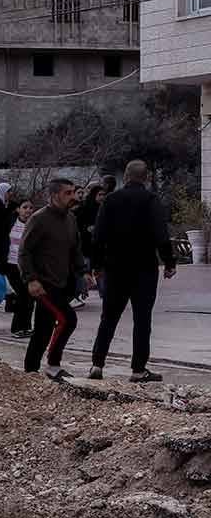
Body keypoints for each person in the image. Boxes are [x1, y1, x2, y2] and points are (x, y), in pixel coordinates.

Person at [89, 160, 177, 383]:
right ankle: (138, 369)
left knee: (108, 317)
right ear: (146, 177)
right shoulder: (150, 200)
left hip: (115, 267)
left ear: (125, 176)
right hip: (144, 269)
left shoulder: (110, 200)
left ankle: (97, 365)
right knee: (142, 319)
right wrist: (169, 262)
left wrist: (96, 266)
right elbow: (161, 234)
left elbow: (98, 236)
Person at [19, 178, 87, 381]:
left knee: (43, 327)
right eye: (68, 193)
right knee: (68, 319)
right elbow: (24, 251)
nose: (73, 196)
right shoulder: (39, 219)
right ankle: (53, 364)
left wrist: (83, 271)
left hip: (63, 281)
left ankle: (30, 371)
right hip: (44, 284)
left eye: (73, 192)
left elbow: (75, 248)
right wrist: (31, 279)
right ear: (55, 195)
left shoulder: (70, 219)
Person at [6, 199, 35, 338]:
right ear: (18, 209)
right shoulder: (10, 224)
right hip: (12, 265)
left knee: (30, 297)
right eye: (25, 207)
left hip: (28, 266)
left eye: (30, 208)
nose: (28, 210)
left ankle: (26, 327)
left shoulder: (35, 225)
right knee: (22, 296)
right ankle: (17, 328)